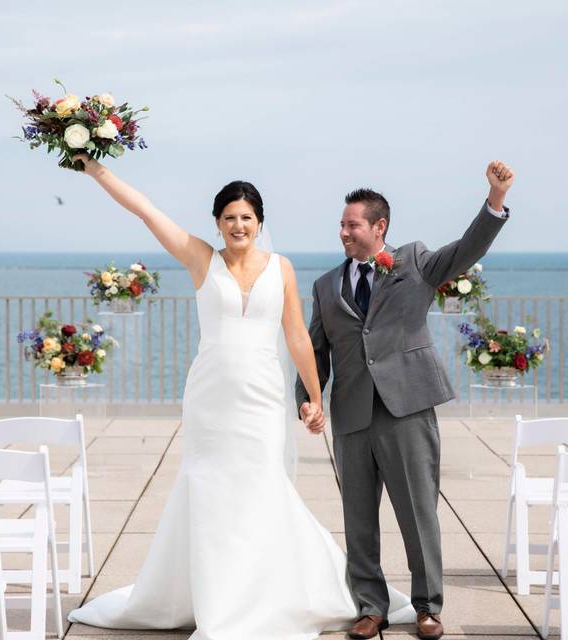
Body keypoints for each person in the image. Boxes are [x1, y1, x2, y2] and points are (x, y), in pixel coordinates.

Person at [66, 153, 415, 640]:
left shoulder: (283, 269)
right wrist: (95, 170)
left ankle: (263, 591)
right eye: (229, 217)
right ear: (217, 222)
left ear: (259, 222)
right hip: (211, 397)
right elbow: (146, 210)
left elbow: (297, 337)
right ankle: (217, 600)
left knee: (261, 484)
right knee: (209, 489)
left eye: (246, 217)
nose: (237, 225)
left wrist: (315, 398)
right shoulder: (199, 259)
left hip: (264, 397)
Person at [295, 161, 514, 640]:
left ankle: (428, 606)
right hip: (352, 414)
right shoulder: (326, 285)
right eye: (342, 224)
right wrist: (308, 398)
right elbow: (316, 350)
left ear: (379, 227)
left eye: (352, 225)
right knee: (358, 520)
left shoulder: (414, 260)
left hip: (407, 409)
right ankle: (369, 607)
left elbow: (466, 250)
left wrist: (494, 200)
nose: (344, 232)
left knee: (418, 513)